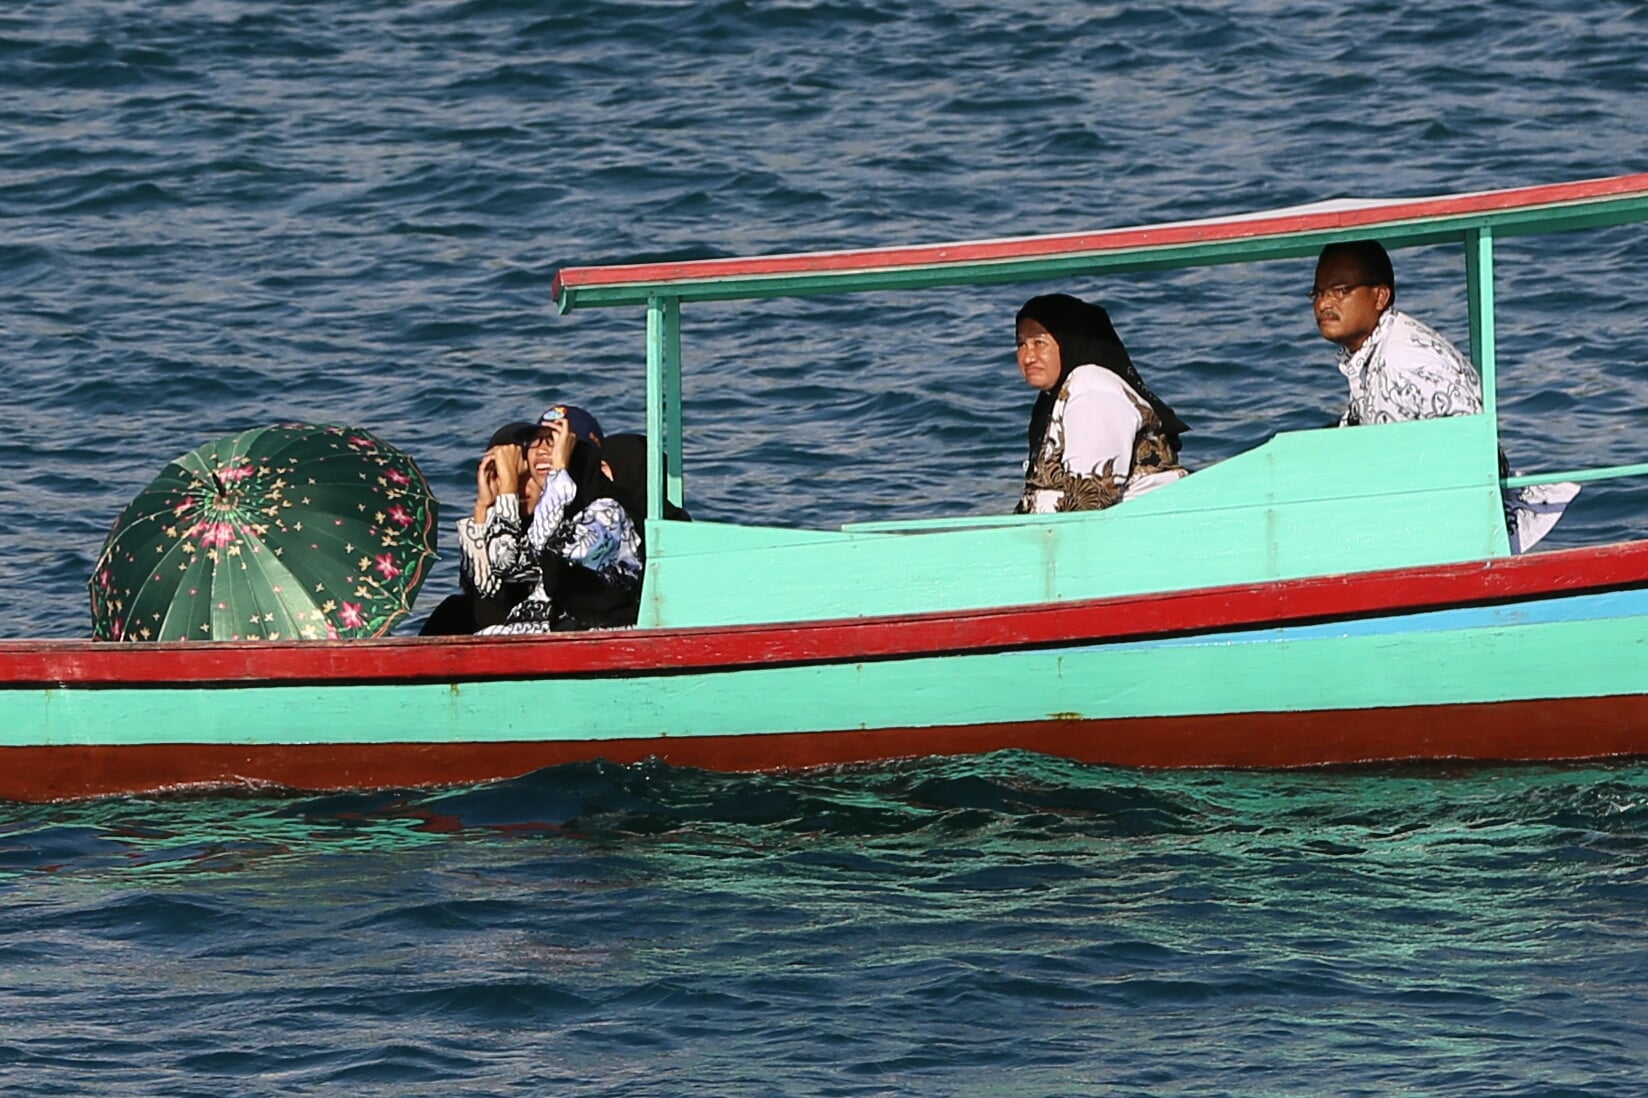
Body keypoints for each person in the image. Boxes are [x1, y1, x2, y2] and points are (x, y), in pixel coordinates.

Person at [1311, 239, 1577, 552]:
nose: (1325, 303)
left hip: (1473, 536)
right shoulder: (1377, 349)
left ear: (1380, 296)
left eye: (1341, 290)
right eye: (1318, 293)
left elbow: (1475, 452)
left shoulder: (1402, 358)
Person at [476, 404, 645, 634]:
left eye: (554, 440)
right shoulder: (556, 510)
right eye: (537, 440)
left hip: (591, 641)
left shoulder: (608, 512)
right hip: (540, 640)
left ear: (583, 452)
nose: (543, 450)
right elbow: (505, 566)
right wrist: (486, 507)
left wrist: (557, 471)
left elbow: (551, 547)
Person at [1014, 293, 1189, 513]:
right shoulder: (1052, 400)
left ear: (1069, 342)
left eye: (1039, 343)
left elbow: (1089, 498)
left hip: (1134, 530)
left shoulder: (1091, 387)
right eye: (1021, 344)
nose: (1027, 357)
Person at [418, 421, 541, 636]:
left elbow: (505, 570)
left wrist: (508, 494)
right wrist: (482, 508)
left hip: (539, 625)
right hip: (497, 632)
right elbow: (483, 596)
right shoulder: (492, 515)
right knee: (455, 609)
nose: (518, 487)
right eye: (507, 476)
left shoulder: (554, 526)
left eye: (526, 475)